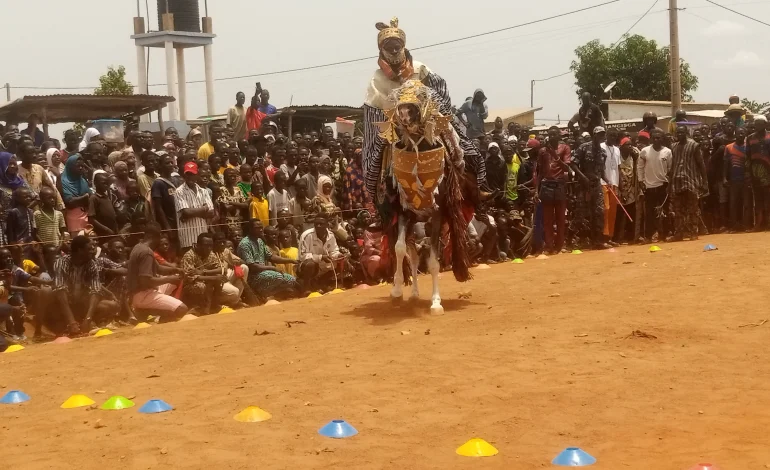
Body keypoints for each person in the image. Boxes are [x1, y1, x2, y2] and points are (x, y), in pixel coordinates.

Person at [363, 18, 487, 203]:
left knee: (463, 145)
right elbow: (374, 109)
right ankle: (380, 206)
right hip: (395, 124)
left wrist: (429, 107)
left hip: (428, 119)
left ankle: (477, 189)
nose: (394, 51)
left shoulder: (420, 68)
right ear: (381, 50)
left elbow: (440, 91)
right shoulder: (377, 79)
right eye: (389, 47)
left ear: (404, 46)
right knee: (374, 160)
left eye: (398, 46)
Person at [54, 235, 119, 332]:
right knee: (45, 292)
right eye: (89, 249)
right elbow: (60, 291)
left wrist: (88, 318)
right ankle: (66, 325)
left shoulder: (91, 264)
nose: (93, 251)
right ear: (80, 250)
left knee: (113, 306)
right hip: (63, 305)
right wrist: (71, 321)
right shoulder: (62, 263)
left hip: (82, 304)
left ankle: (86, 323)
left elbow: (96, 290)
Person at [127, 222, 188, 320]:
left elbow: (159, 269)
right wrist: (169, 279)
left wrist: (176, 270)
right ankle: (146, 311)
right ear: (156, 236)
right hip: (143, 294)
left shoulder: (139, 247)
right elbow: (145, 281)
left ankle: (157, 307)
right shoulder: (146, 252)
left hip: (140, 293)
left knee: (177, 277)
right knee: (182, 309)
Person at [237, 219, 300, 300]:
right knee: (278, 277)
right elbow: (252, 266)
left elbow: (271, 257)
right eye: (257, 228)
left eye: (261, 227)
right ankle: (261, 295)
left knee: (291, 280)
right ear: (250, 229)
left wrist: (291, 260)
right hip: (252, 276)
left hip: (264, 273)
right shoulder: (245, 244)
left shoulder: (259, 241)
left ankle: (273, 295)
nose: (260, 229)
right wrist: (272, 268)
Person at [571, 127, 611, 249]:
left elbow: (602, 170)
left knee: (599, 212)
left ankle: (597, 240)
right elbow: (573, 163)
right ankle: (571, 240)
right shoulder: (583, 147)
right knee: (580, 212)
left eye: (602, 135)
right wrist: (583, 177)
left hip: (596, 185)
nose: (601, 137)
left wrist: (608, 180)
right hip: (583, 185)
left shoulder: (603, 152)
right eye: (599, 134)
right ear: (594, 135)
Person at [668, 125, 707, 241]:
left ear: (686, 133)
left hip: (691, 181)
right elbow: (671, 166)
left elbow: (701, 164)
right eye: (678, 133)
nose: (679, 135)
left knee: (693, 209)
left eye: (682, 133)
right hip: (676, 182)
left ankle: (693, 232)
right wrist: (669, 184)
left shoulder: (694, 145)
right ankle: (679, 233)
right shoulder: (673, 147)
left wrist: (705, 182)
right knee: (678, 209)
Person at [535, 127, 570, 253]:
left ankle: (560, 245)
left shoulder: (565, 148)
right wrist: (535, 190)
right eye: (550, 135)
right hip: (546, 186)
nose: (552, 137)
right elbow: (539, 172)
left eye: (555, 134)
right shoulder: (543, 151)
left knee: (561, 218)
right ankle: (549, 246)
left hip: (559, 184)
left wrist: (555, 155)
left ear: (559, 135)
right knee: (548, 219)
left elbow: (566, 168)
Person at [637, 129, 671, 242]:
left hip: (663, 185)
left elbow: (670, 168)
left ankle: (664, 235)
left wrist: (669, 183)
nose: (656, 140)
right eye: (654, 138)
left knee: (664, 212)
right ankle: (648, 236)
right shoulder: (645, 151)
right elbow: (640, 167)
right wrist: (641, 181)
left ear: (662, 139)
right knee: (649, 213)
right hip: (649, 186)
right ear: (651, 139)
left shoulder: (667, 152)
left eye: (659, 138)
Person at [298, 214, 344, 292]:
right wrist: (321, 257)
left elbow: (334, 251)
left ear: (327, 224)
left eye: (321, 224)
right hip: (309, 267)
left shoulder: (331, 235)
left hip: (325, 266)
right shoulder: (307, 235)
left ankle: (322, 284)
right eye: (316, 224)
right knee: (310, 264)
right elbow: (302, 256)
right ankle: (306, 289)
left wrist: (338, 255)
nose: (318, 226)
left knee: (344, 260)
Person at [175, 162, 215, 250]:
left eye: (193, 174)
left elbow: (211, 213)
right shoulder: (179, 191)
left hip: (203, 237)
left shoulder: (203, 191)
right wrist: (204, 208)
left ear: (197, 174)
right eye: (188, 174)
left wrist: (191, 213)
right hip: (188, 238)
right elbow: (186, 212)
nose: (190, 177)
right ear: (184, 176)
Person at [17, 140, 61, 206]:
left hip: (40, 209)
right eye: (30, 153)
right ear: (21, 154)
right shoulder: (16, 170)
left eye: (34, 153)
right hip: (24, 209)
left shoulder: (39, 168)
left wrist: (60, 205)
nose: (34, 155)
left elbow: (52, 187)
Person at [724, 127, 750, 231]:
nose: (740, 135)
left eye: (742, 133)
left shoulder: (748, 147)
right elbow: (725, 164)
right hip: (733, 180)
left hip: (746, 179)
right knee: (733, 203)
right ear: (735, 134)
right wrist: (724, 178)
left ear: (745, 135)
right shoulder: (728, 147)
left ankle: (746, 225)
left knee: (746, 203)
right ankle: (734, 226)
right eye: (739, 133)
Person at [746, 115, 770, 230]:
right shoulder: (750, 138)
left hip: (768, 171)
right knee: (758, 198)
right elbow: (748, 156)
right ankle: (759, 223)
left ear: (765, 124)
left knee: (768, 197)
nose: (757, 126)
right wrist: (748, 172)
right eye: (756, 124)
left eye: (760, 124)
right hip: (755, 172)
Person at [614, 138, 638, 243]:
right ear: (621, 146)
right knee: (618, 215)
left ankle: (631, 237)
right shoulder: (617, 157)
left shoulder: (633, 157)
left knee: (631, 213)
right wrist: (621, 190)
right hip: (619, 189)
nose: (630, 147)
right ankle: (616, 238)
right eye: (627, 145)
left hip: (631, 189)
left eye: (631, 145)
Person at [601, 129, 621, 243]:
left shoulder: (617, 150)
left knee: (613, 211)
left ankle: (610, 238)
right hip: (603, 182)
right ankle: (604, 236)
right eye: (611, 135)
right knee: (606, 209)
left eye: (615, 136)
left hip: (614, 183)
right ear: (606, 136)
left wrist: (620, 184)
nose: (613, 137)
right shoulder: (600, 147)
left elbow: (618, 167)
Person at [219, 168, 249, 233]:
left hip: (238, 222)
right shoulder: (221, 190)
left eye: (234, 176)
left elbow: (246, 205)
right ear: (225, 178)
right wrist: (240, 204)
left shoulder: (237, 189)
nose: (233, 178)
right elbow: (226, 207)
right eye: (230, 176)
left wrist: (230, 202)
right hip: (226, 223)